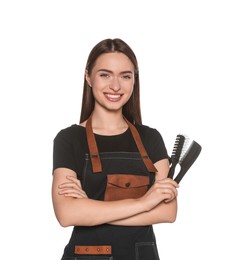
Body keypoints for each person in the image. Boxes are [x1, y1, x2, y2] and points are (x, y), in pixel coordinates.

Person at [52, 38, 179, 260]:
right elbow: (67, 214)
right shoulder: (69, 139)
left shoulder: (151, 138)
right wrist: (144, 203)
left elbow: (167, 212)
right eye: (105, 74)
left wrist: (90, 210)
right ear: (88, 77)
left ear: (134, 81)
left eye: (125, 76)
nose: (116, 86)